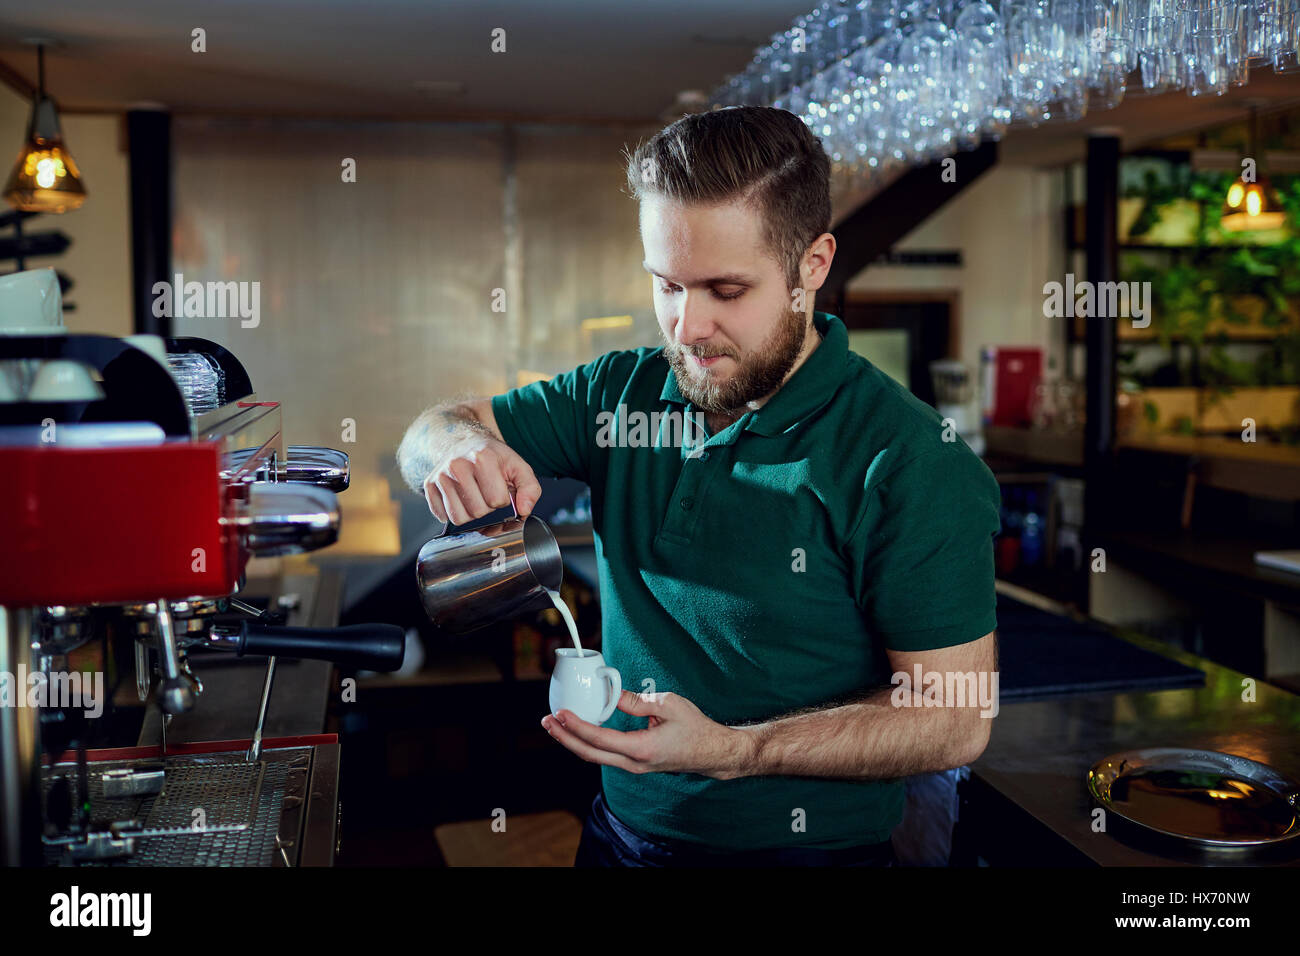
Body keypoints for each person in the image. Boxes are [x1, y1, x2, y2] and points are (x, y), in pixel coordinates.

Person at [397, 106, 999, 867]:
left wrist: (735, 752)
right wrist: (455, 448)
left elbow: (955, 719)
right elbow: (430, 428)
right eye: (668, 285)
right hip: (617, 837)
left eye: (724, 289)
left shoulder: (910, 459)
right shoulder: (620, 393)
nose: (686, 327)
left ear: (811, 266)